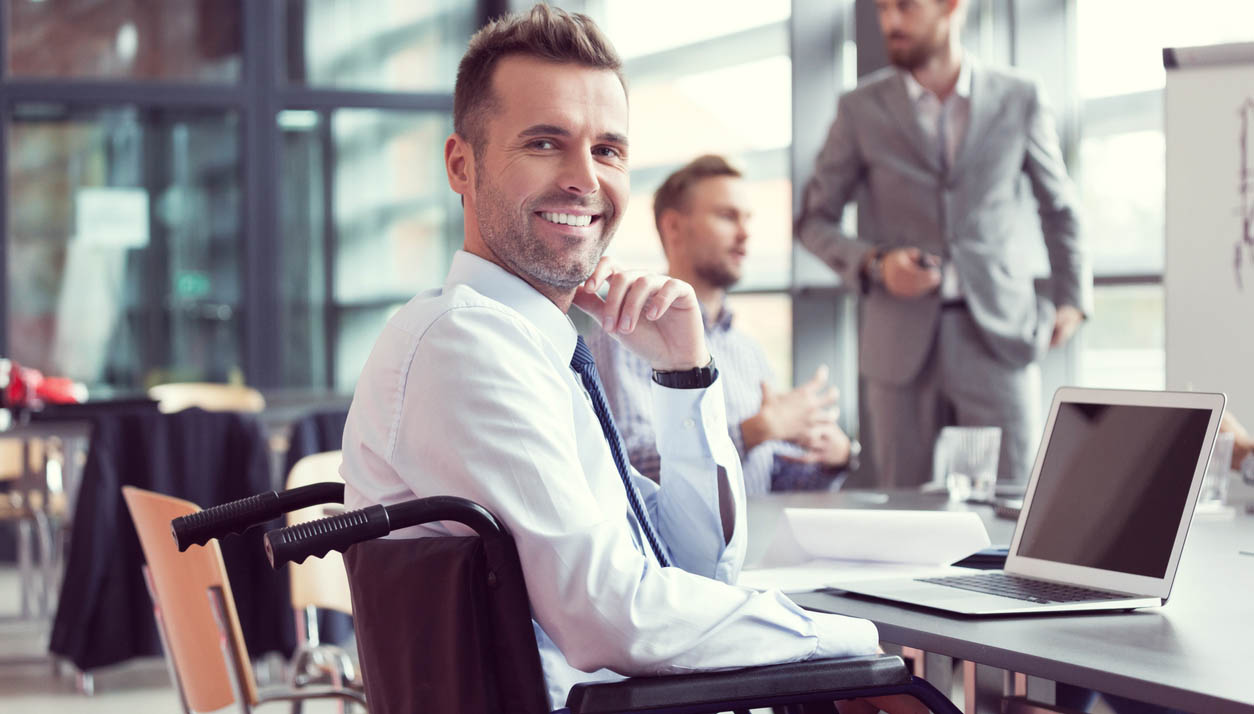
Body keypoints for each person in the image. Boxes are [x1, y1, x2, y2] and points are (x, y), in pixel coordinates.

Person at [339, 6, 923, 713]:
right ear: (462, 165)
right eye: (546, 142)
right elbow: (612, 618)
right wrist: (847, 634)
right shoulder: (465, 346)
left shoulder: (537, 349)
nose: (585, 180)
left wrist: (683, 377)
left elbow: (696, 564)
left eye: (608, 150)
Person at [796, 0, 1092, 488]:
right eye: (883, 9)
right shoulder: (859, 108)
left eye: (905, 7)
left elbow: (1059, 206)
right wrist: (875, 263)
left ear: (953, 6)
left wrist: (1072, 298)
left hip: (997, 337)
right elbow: (813, 220)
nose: (889, 22)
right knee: (901, 506)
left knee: (1011, 506)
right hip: (898, 343)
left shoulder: (1020, 97)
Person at [588, 154, 857, 494]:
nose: (745, 233)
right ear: (673, 227)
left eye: (747, 218)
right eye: (727, 216)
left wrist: (834, 456)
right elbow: (629, 464)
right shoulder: (624, 334)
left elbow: (764, 479)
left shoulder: (746, 350)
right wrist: (756, 430)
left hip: (753, 541)